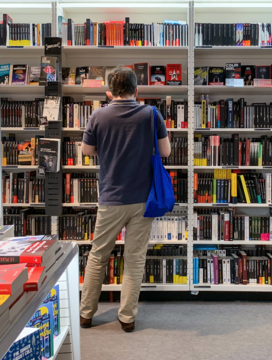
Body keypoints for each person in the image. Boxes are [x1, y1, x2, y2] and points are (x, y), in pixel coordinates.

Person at [79, 66, 171, 332]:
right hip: (143, 199)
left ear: (110, 91)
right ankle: (127, 318)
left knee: (98, 256)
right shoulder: (152, 114)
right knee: (134, 258)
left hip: (110, 198)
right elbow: (165, 152)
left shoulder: (98, 115)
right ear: (136, 90)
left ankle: (86, 314)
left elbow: (87, 150)